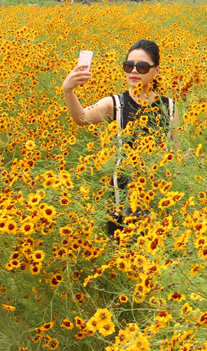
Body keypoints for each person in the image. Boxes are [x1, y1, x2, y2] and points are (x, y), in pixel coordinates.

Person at [62, 39, 178, 236]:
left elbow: (174, 151)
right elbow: (81, 118)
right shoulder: (115, 104)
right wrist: (68, 89)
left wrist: (187, 160)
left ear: (156, 71)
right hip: (122, 194)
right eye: (128, 66)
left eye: (141, 67)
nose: (133, 71)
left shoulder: (170, 106)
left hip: (159, 193)